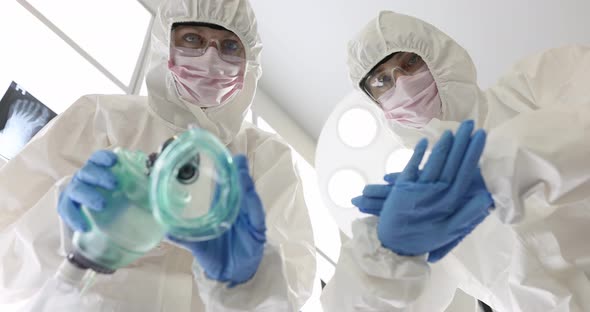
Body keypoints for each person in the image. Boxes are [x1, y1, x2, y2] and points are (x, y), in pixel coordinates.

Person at [0, 0, 316, 311]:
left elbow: (291, 289)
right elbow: (6, 271)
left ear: (251, 63)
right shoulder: (101, 117)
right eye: (193, 38)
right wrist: (61, 227)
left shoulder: (266, 158)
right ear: (165, 40)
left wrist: (248, 280)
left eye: (230, 46)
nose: (210, 58)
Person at [322, 11, 590, 312]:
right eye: (382, 80)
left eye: (409, 62)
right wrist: (388, 255)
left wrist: (493, 172)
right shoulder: (419, 204)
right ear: (375, 102)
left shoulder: (533, 82)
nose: (403, 84)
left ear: (439, 53)